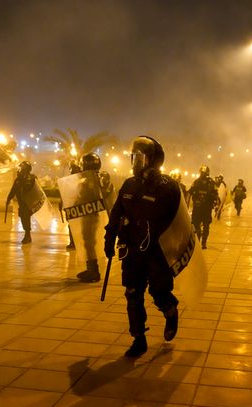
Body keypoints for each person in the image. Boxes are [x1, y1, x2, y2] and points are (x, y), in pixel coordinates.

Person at [104, 136, 181, 357]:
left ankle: (170, 310)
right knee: (132, 294)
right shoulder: (129, 184)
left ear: (153, 160)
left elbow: (174, 221)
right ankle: (138, 338)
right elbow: (117, 213)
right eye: (133, 157)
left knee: (158, 291)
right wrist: (109, 239)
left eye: (141, 158)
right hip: (132, 250)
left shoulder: (168, 187)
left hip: (157, 252)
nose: (136, 162)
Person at [75, 152, 105, 283]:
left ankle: (93, 271)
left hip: (90, 215)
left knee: (89, 242)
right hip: (87, 214)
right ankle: (90, 268)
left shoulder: (92, 180)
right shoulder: (95, 178)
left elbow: (91, 196)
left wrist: (78, 202)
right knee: (87, 242)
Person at [6, 161, 38, 244]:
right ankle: (27, 234)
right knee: (23, 218)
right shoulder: (18, 179)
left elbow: (36, 190)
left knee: (26, 218)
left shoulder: (32, 178)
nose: (21, 168)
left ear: (27, 168)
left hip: (28, 203)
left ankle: (27, 235)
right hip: (21, 203)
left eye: (22, 167)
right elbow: (13, 190)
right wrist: (9, 198)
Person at [189, 165, 219, 249]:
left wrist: (213, 199)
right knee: (196, 225)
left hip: (207, 208)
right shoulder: (196, 182)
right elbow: (190, 192)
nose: (202, 175)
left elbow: (216, 194)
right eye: (201, 173)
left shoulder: (212, 183)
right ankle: (198, 240)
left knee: (206, 226)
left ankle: (203, 243)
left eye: (204, 173)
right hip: (197, 208)